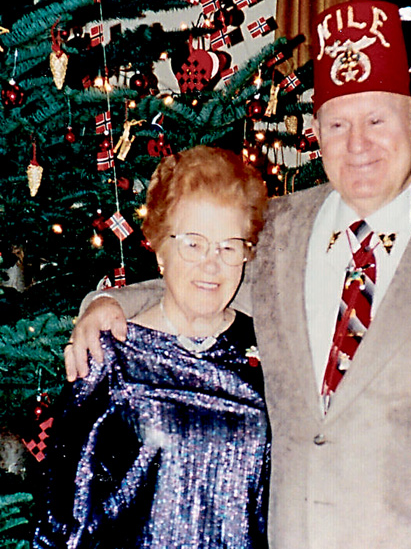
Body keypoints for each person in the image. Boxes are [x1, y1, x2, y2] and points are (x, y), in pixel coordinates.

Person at [64, 0, 411, 549]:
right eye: (338, 123)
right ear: (317, 130)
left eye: (377, 119)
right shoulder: (279, 228)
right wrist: (109, 306)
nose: (359, 145)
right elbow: (204, 282)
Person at [34, 146, 270, 549]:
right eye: (192, 244)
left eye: (228, 246)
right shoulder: (111, 360)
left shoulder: (268, 352)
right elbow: (61, 520)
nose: (210, 264)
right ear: (160, 248)